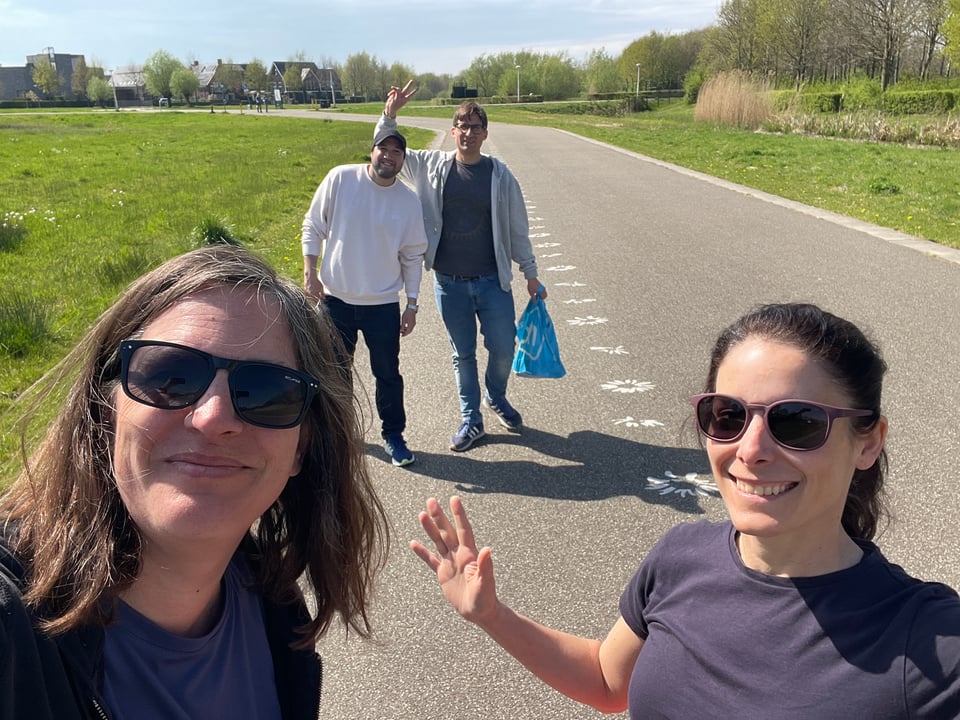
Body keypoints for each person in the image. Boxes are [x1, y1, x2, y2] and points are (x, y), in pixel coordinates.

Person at [411, 303, 960, 719]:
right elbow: (607, 681)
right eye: (728, 416)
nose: (751, 450)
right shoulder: (680, 557)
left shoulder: (931, 641)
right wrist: (491, 614)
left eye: (796, 421)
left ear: (868, 442)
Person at [0, 245, 390, 719]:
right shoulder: (10, 623)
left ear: (300, 449)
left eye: (266, 392)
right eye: (170, 376)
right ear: (105, 415)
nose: (212, 418)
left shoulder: (276, 611)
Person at [377, 81, 546, 452]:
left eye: (475, 127)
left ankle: (495, 395)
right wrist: (390, 115)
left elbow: (518, 228)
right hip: (449, 283)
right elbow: (387, 150)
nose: (468, 133)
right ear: (452, 131)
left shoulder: (500, 176)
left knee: (504, 347)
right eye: (462, 126)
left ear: (485, 134)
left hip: (493, 282)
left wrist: (530, 273)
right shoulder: (431, 166)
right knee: (463, 354)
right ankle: (472, 419)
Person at [302, 127, 428, 467]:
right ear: (371, 151)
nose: (389, 156)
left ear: (403, 159)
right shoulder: (341, 179)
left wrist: (412, 304)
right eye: (383, 148)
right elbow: (313, 225)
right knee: (334, 374)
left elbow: (413, 255)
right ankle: (337, 436)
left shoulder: (407, 201)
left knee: (387, 374)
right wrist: (310, 272)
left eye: (397, 151)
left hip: (382, 305)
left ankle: (394, 436)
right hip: (336, 301)